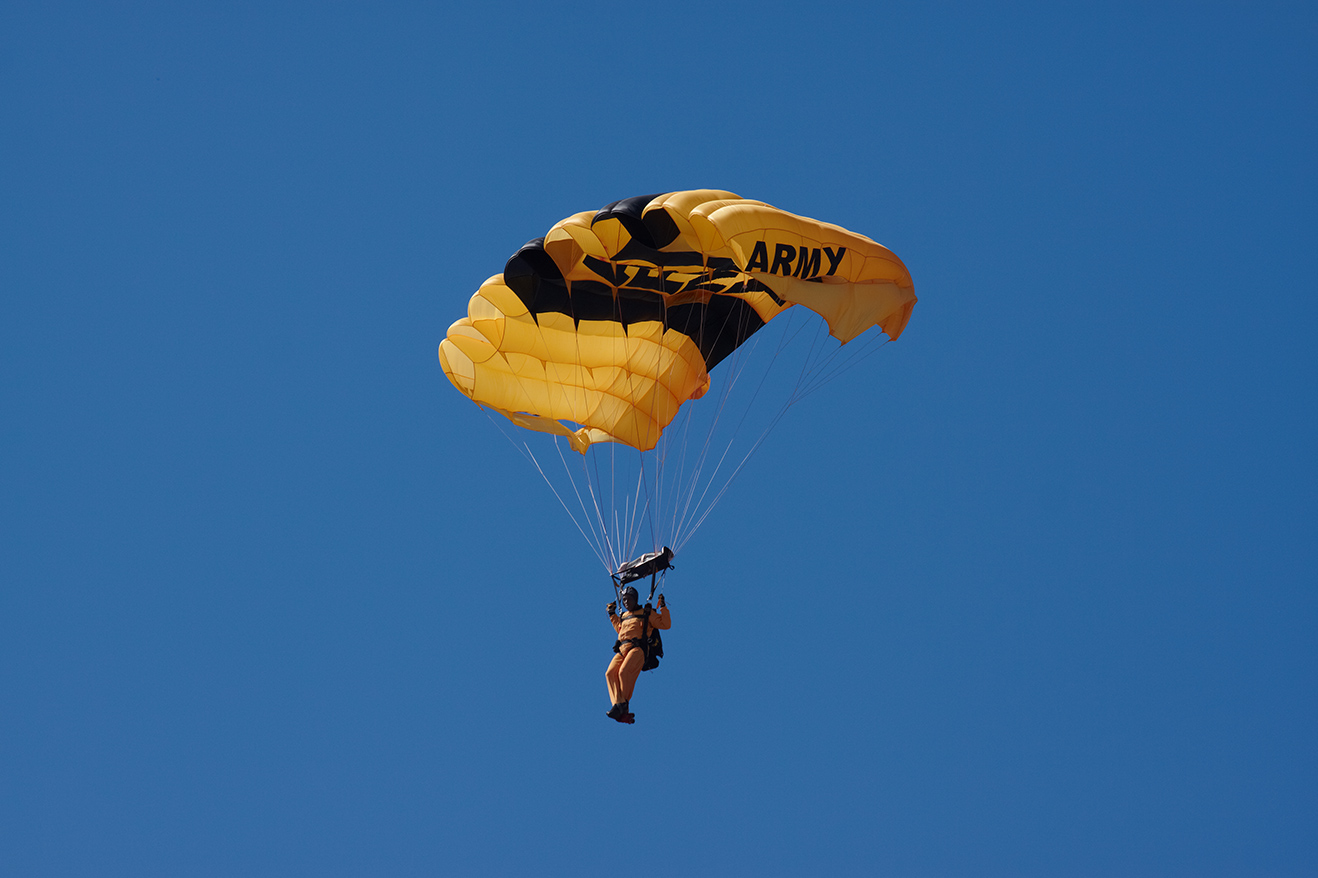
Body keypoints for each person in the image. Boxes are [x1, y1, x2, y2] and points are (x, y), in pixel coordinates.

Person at [605, 585, 670, 722]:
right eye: (624, 600)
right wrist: (612, 614)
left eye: (629, 599)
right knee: (610, 673)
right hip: (623, 649)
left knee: (623, 672)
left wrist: (663, 607)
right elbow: (619, 628)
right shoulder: (624, 616)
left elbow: (665, 624)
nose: (626, 602)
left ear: (635, 599)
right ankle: (618, 706)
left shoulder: (646, 613)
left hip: (638, 649)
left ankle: (623, 704)